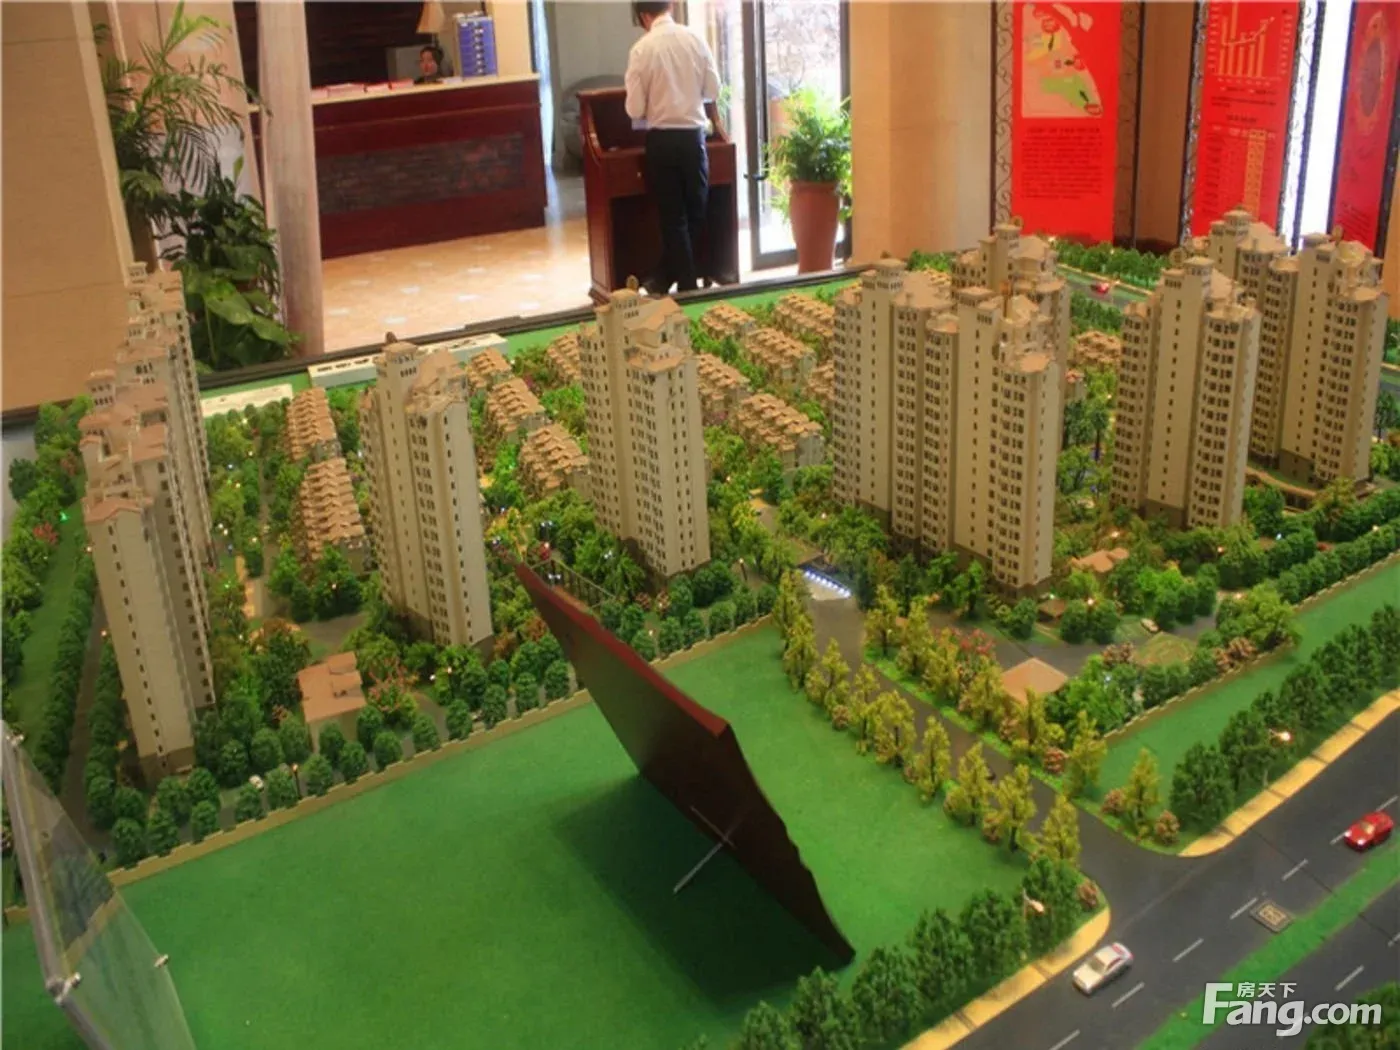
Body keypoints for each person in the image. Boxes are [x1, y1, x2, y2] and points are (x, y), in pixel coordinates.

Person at [624, 2, 721, 295]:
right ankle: (678, 283)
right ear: (671, 6)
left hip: (662, 142)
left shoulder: (641, 49)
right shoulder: (696, 39)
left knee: (673, 217)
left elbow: (634, 109)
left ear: (643, 16)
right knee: (695, 213)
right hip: (694, 140)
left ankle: (673, 282)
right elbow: (713, 91)